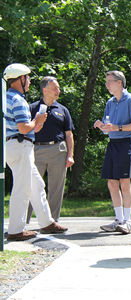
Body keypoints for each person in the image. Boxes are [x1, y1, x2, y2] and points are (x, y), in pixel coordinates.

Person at [3, 63, 67, 241]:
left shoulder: (7, 97)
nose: (30, 82)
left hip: (16, 146)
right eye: (28, 78)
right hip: (21, 146)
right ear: (20, 79)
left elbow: (22, 128)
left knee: (37, 185)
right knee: (22, 189)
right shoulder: (18, 100)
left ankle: (47, 222)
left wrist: (34, 127)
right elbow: (23, 127)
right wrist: (36, 120)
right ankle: (16, 230)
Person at [94, 70, 131, 234]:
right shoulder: (110, 102)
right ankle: (118, 219)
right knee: (111, 182)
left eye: (110, 81)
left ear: (120, 83)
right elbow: (108, 128)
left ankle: (128, 221)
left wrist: (119, 127)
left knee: (124, 182)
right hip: (113, 143)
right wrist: (101, 126)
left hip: (126, 143)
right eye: (106, 81)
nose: (107, 85)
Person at [26, 76, 75, 223]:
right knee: (31, 185)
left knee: (56, 187)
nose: (58, 91)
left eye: (58, 88)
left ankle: (52, 221)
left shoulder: (62, 110)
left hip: (58, 151)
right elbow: (25, 130)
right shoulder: (32, 108)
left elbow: (69, 134)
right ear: (45, 90)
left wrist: (70, 155)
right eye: (55, 88)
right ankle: (23, 220)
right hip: (36, 150)